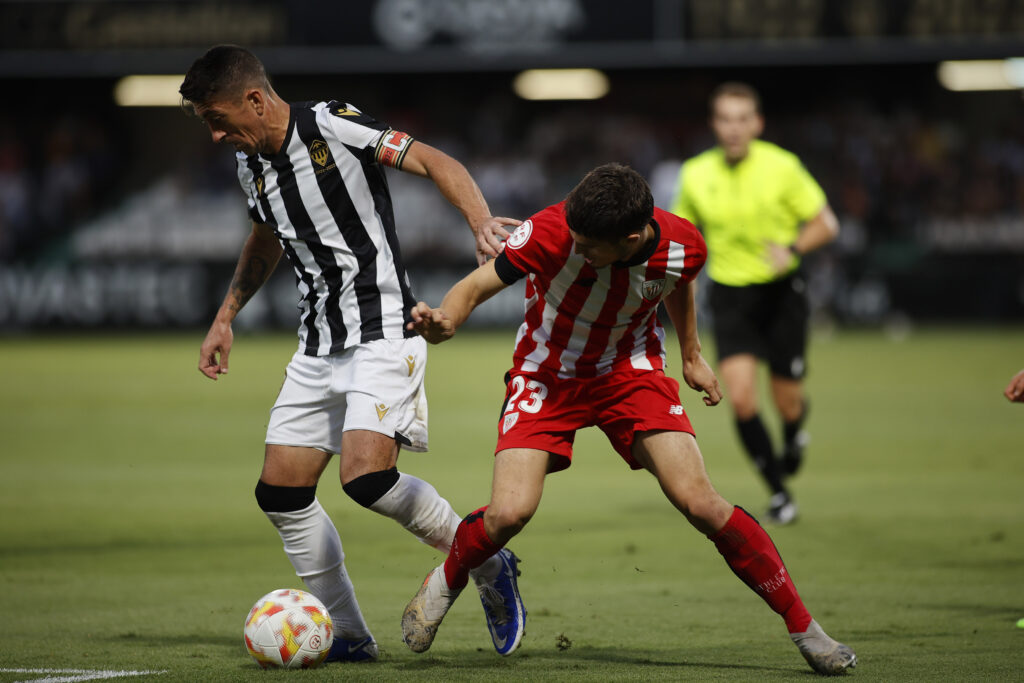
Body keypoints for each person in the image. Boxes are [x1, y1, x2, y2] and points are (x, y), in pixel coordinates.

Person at [399, 163, 856, 675]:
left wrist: (691, 355)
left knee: (701, 503)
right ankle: (448, 579)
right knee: (509, 514)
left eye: (589, 246)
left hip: (629, 370)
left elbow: (678, 280)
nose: (577, 249)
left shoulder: (685, 244)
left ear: (631, 239)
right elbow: (474, 287)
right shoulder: (551, 231)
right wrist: (445, 321)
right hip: (546, 373)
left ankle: (805, 628)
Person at [180, 44, 526, 661]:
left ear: (254, 100)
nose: (214, 135)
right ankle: (348, 635)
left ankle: (487, 561)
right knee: (281, 495)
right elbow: (265, 236)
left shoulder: (330, 123)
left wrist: (479, 222)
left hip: (384, 329)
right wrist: (225, 316)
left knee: (366, 479)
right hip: (317, 344)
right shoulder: (250, 164)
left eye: (217, 118)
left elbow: (433, 159)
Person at [670, 82, 840, 525]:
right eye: (725, 119)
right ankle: (780, 492)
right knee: (743, 401)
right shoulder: (695, 174)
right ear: (714, 124)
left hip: (782, 293)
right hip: (730, 297)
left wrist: (793, 249)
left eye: (742, 119)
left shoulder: (783, 167)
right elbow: (679, 235)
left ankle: (794, 431)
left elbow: (826, 223)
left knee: (787, 404)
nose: (734, 128)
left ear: (758, 124)